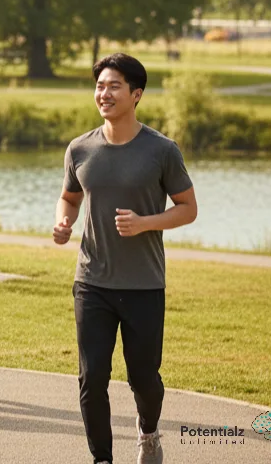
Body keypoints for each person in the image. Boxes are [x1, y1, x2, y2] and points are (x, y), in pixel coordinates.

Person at [54, 53, 197, 464]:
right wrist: (64, 223)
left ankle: (148, 433)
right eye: (100, 85)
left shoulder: (161, 150)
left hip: (143, 285)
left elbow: (188, 208)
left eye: (114, 86)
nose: (104, 93)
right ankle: (102, 458)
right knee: (91, 377)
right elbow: (69, 197)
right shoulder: (80, 148)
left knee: (143, 379)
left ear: (136, 94)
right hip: (92, 281)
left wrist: (145, 222)